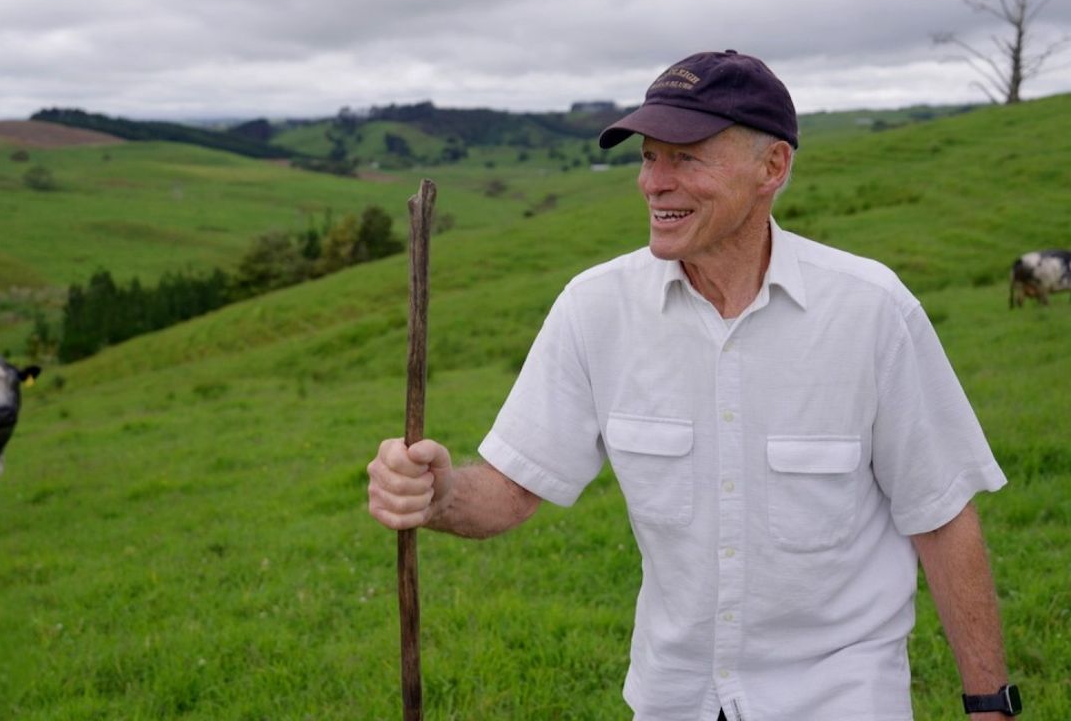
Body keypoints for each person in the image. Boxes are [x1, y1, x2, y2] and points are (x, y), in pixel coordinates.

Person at [367, 50, 1019, 720]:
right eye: (650, 157)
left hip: (838, 699)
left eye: (687, 158)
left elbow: (940, 516)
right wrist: (437, 491)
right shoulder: (596, 308)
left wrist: (989, 704)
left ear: (773, 169)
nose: (656, 182)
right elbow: (508, 493)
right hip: (673, 700)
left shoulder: (871, 311)